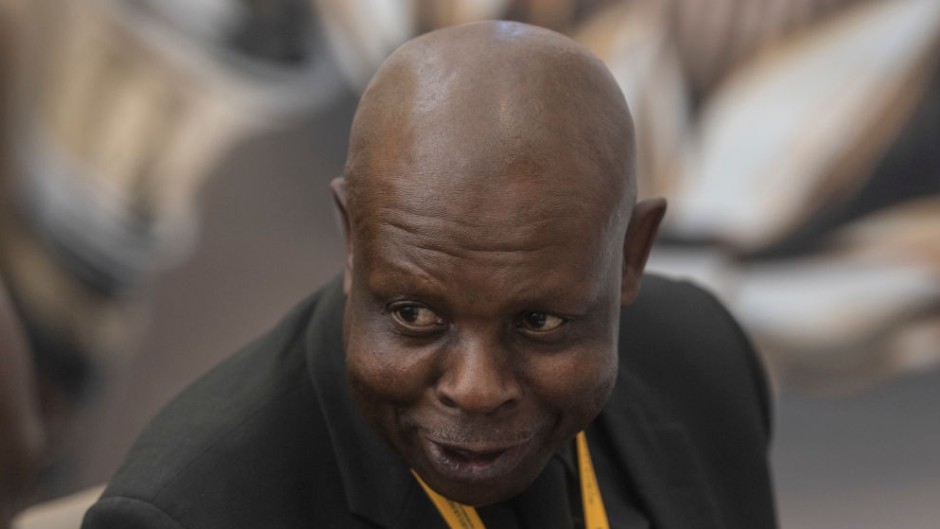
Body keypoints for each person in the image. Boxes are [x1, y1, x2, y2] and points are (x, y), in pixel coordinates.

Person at [82, 21, 776, 529]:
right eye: (415, 314)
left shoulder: (705, 356)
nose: (476, 390)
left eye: (539, 322)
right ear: (354, 240)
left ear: (630, 255)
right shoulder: (190, 513)